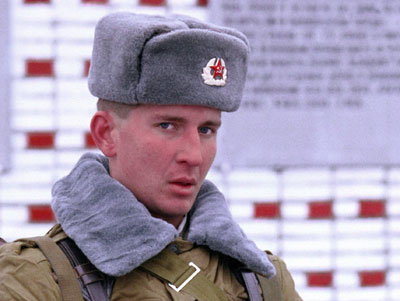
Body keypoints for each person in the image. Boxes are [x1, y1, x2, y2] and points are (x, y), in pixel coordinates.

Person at [0, 12, 302, 300]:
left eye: (207, 130)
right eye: (168, 126)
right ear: (106, 134)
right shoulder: (35, 280)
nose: (194, 156)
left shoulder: (263, 281)